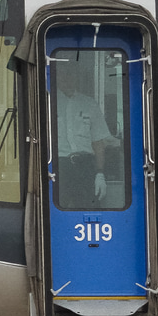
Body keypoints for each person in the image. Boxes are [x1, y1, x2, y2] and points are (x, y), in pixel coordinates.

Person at [54, 63, 118, 209]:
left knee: (88, 208)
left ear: (76, 78)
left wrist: (100, 173)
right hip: (59, 165)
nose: (67, 78)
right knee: (58, 211)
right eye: (63, 74)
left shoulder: (89, 104)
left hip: (85, 166)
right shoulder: (48, 102)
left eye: (71, 75)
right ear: (57, 77)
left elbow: (98, 142)